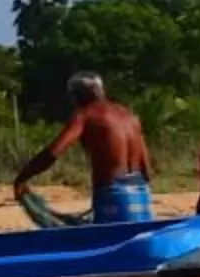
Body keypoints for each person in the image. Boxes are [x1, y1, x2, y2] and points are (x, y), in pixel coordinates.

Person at [13, 72, 155, 224]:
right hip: (141, 196)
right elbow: (146, 169)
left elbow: (53, 153)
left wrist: (22, 178)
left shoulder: (86, 114)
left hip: (112, 197)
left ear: (78, 96)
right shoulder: (129, 116)